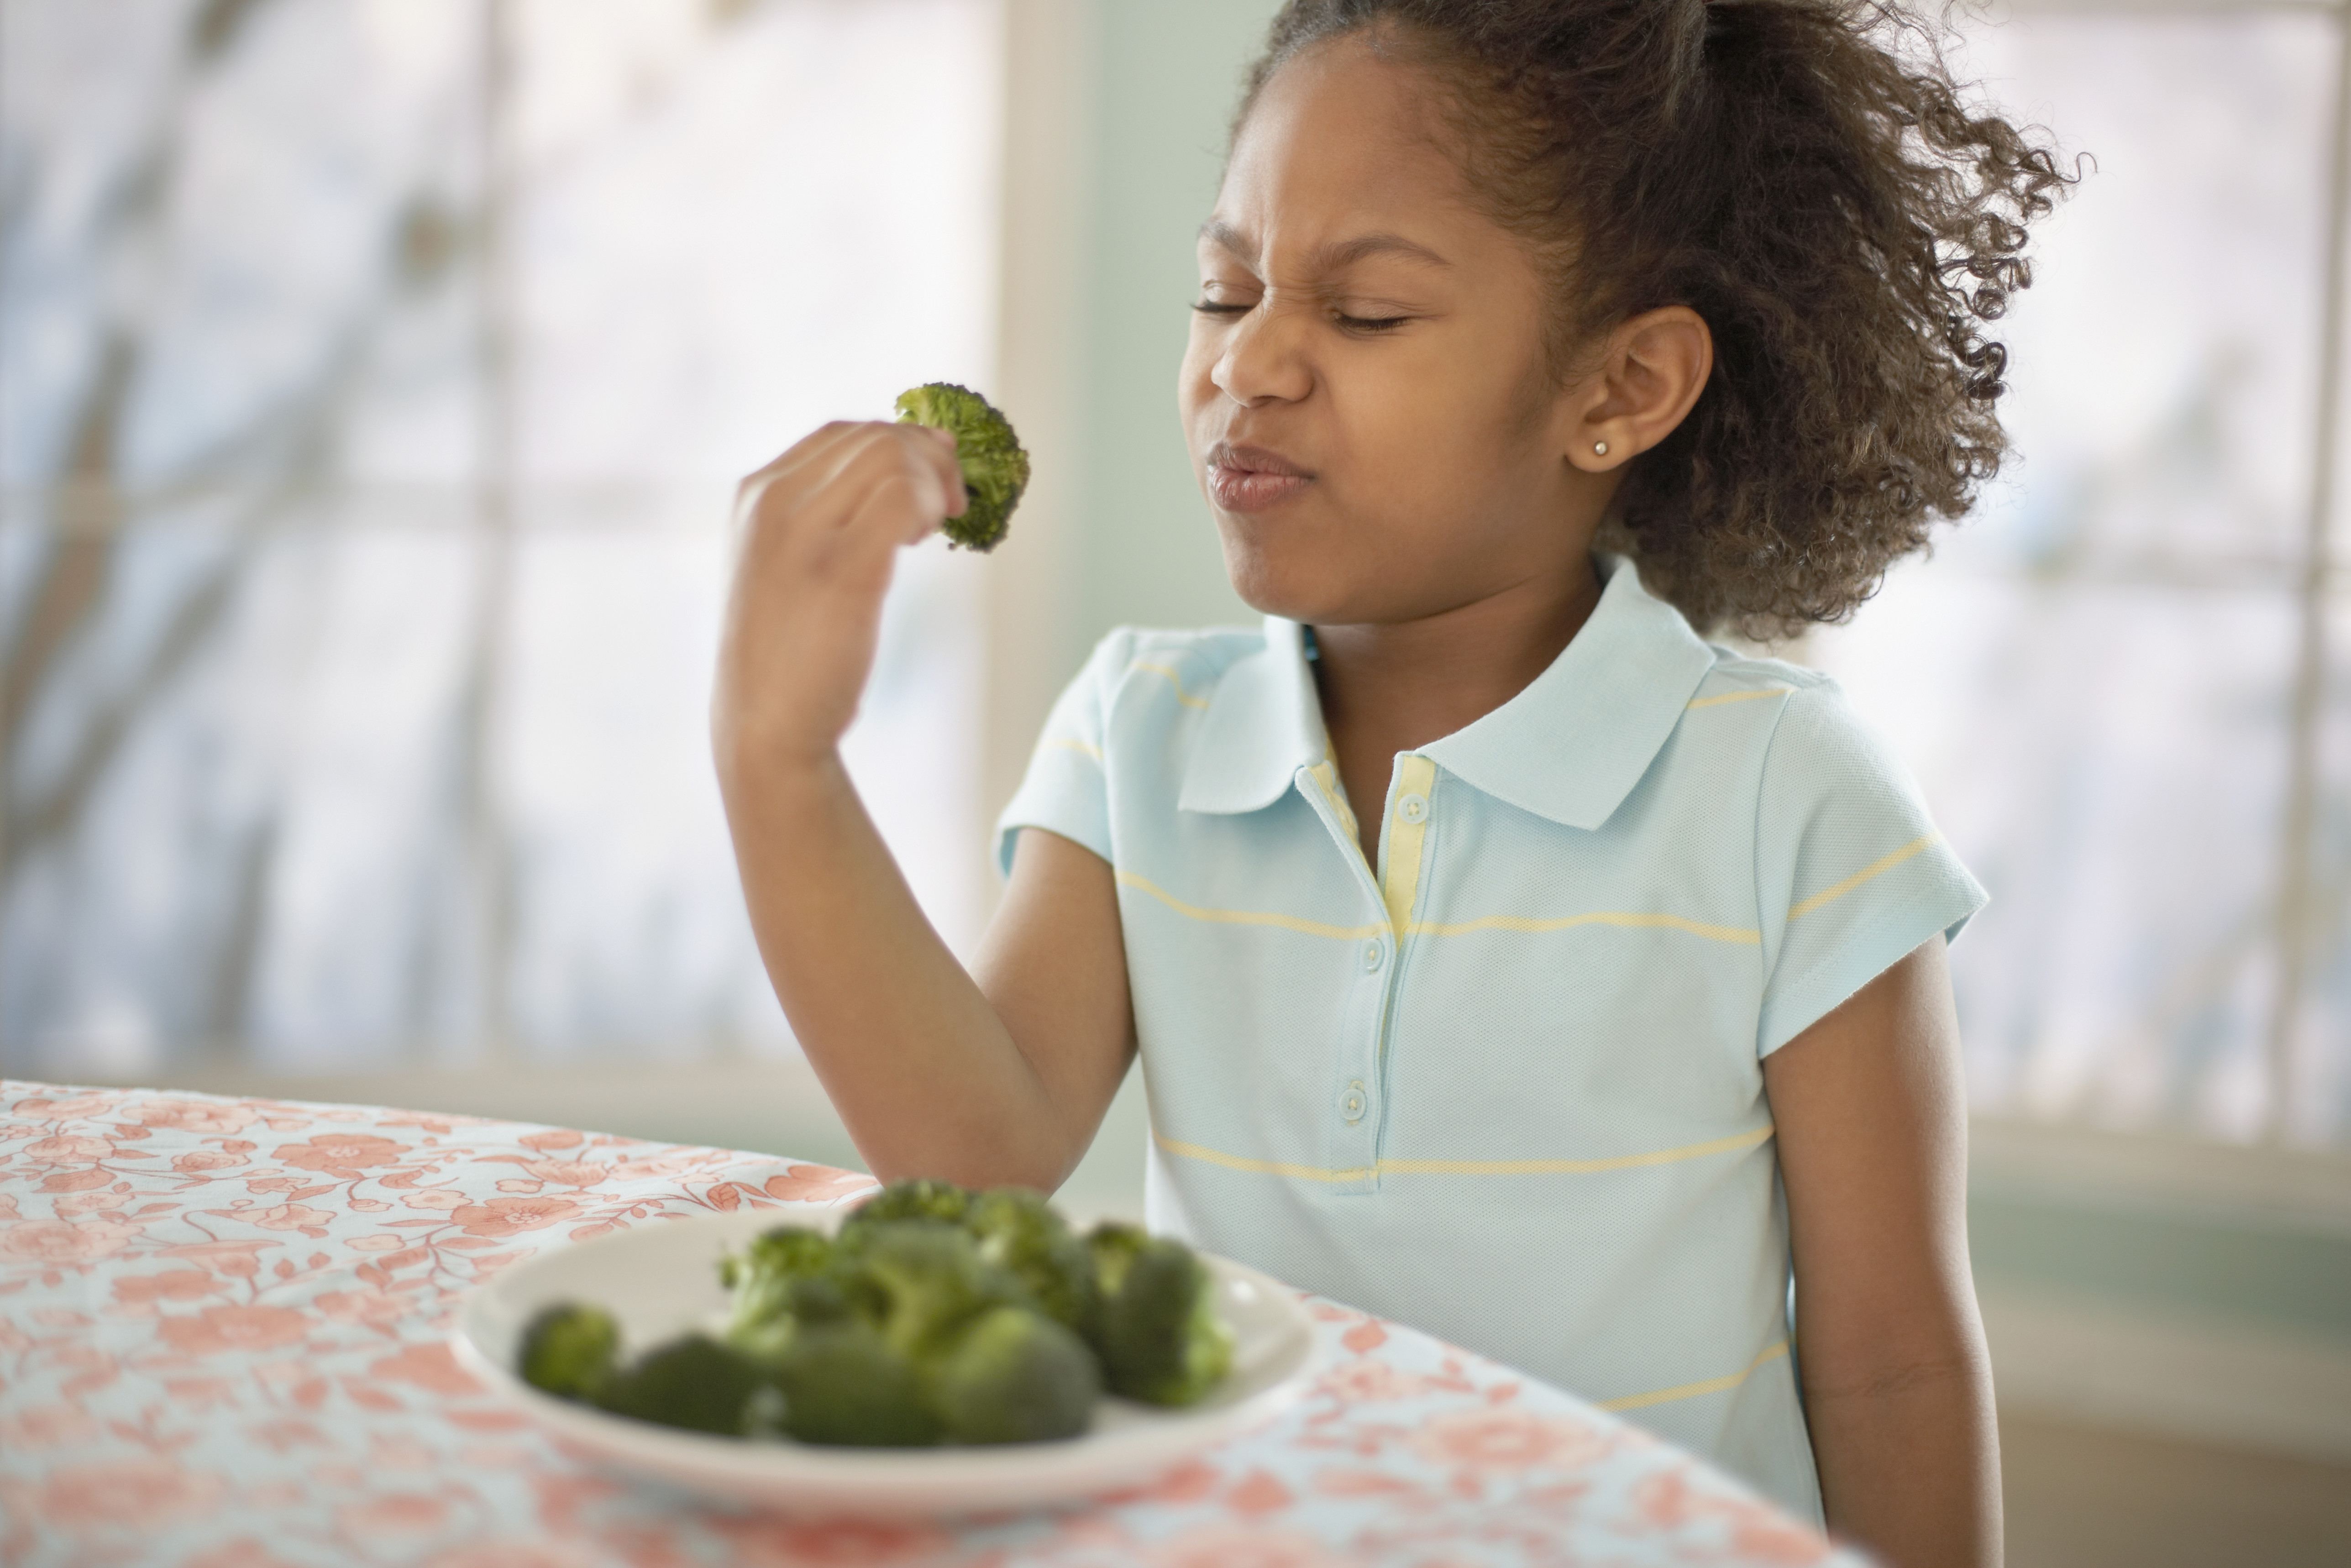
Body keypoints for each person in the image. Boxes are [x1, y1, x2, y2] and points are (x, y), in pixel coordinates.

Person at [714, 3, 2068, 1563]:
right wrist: (783, 761)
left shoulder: (1788, 798)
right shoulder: (1136, 736)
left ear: (1619, 388)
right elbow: (978, 1148)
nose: (1252, 362)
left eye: (1363, 315)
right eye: (1226, 290)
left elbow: (1893, 1363)